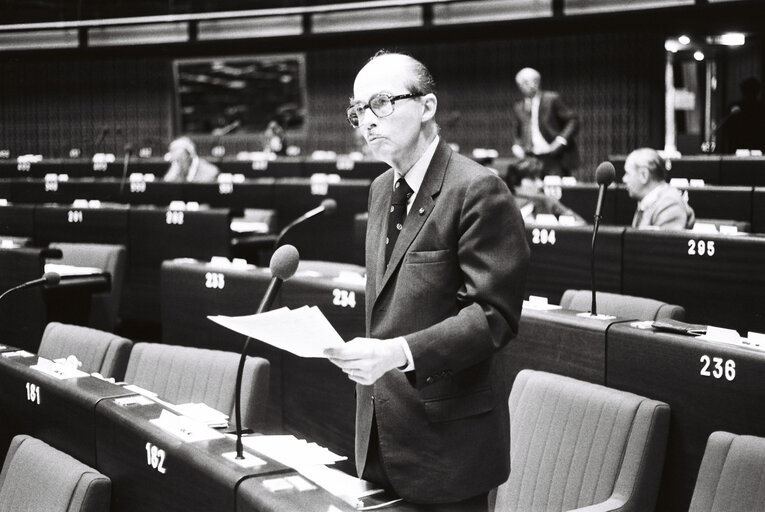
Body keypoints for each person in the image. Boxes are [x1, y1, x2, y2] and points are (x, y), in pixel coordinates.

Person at [324, 51, 529, 511]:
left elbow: (494, 317)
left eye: (381, 103)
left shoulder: (477, 189)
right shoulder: (380, 189)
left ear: (428, 107)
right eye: (358, 110)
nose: (366, 122)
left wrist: (399, 353)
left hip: (447, 445)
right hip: (378, 430)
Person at [510, 67, 579, 176]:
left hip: (554, 157)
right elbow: (517, 131)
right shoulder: (519, 107)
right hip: (531, 159)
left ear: (536, 82)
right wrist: (516, 146)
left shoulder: (551, 99)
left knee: (554, 189)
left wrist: (560, 140)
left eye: (524, 83)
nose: (521, 87)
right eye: (520, 84)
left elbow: (573, 120)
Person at [622, 147, 695, 230]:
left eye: (627, 173)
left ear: (644, 175)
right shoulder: (651, 202)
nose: (624, 179)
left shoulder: (669, 205)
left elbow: (664, 242)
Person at [506, 162, 586, 224]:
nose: (540, 184)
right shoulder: (503, 205)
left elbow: (581, 224)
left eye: (539, 178)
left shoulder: (545, 201)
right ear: (515, 182)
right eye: (533, 179)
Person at [719, 76, 765, 153]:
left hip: (754, 148)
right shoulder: (735, 108)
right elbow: (727, 129)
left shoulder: (761, 108)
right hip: (743, 148)